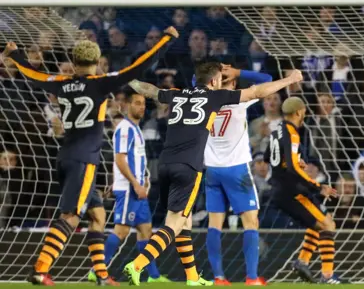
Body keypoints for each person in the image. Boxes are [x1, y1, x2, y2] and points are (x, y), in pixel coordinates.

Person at [1, 26, 177, 286]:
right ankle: (40, 270)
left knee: (97, 216)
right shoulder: (100, 82)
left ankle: (102, 276)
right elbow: (139, 66)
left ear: (73, 63)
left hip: (67, 156)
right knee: (71, 216)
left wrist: (15, 56)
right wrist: (166, 40)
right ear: (96, 62)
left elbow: (33, 74)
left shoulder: (61, 83)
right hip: (84, 160)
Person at [122, 62, 303, 286]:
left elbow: (150, 90)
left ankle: (194, 277)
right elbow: (259, 89)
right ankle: (138, 264)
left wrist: (126, 77)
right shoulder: (221, 97)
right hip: (205, 166)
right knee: (180, 223)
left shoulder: (179, 95)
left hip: (169, 164)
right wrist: (289, 79)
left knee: (190, 222)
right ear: (214, 81)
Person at [88, 93, 171, 283]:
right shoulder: (125, 129)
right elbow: (119, 158)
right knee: (122, 231)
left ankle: (153, 275)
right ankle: (97, 269)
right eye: (137, 103)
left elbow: (131, 160)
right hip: (129, 189)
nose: (141, 107)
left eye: (143, 104)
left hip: (136, 188)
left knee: (145, 230)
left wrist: (142, 180)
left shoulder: (136, 129)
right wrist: (134, 183)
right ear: (126, 106)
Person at [201, 65, 272, 286]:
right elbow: (267, 78)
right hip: (237, 169)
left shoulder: (204, 100)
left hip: (212, 169)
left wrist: (216, 75)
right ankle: (252, 277)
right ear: (231, 83)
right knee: (251, 222)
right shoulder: (239, 99)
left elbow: (198, 79)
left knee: (214, 224)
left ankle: (219, 277)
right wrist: (239, 72)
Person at [266, 97, 345, 284]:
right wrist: (318, 187)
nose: (305, 114)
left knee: (319, 223)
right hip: (292, 191)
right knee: (328, 225)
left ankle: (302, 262)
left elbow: (269, 156)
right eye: (304, 111)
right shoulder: (292, 133)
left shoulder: (276, 130)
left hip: (278, 188)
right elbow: (293, 169)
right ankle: (327, 276)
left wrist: (292, 161)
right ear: (298, 112)